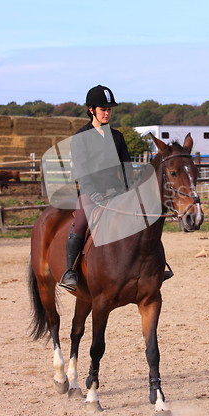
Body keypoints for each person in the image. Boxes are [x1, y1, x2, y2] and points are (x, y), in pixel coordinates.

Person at [59, 85, 133, 291]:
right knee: (81, 222)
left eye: (110, 109)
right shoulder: (81, 137)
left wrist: (130, 191)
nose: (107, 113)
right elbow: (82, 171)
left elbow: (126, 168)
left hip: (117, 193)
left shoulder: (117, 137)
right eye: (103, 109)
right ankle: (69, 272)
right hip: (91, 193)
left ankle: (151, 266)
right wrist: (93, 193)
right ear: (91, 109)